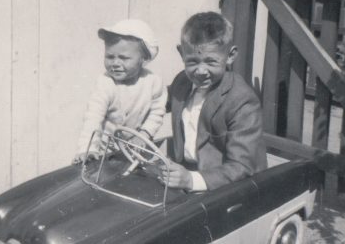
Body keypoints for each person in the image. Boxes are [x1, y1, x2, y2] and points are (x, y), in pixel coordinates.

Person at [162, 12, 267, 191]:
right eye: (192, 62)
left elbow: (241, 167)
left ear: (231, 55)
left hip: (229, 186)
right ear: (181, 53)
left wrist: (190, 181)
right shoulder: (182, 81)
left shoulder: (242, 101)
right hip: (187, 174)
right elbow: (158, 102)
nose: (201, 71)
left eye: (211, 62)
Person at [74, 19, 167, 164]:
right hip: (105, 150)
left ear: (143, 59)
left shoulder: (153, 82)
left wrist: (144, 134)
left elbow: (157, 113)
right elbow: (93, 117)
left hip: (137, 147)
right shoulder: (105, 83)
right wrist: (88, 148)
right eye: (110, 56)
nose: (115, 63)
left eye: (124, 58)